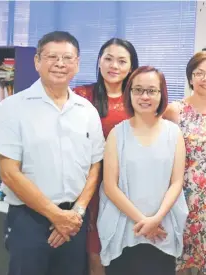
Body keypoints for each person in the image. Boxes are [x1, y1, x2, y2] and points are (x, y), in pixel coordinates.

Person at [0, 31, 104, 275]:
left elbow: (95, 166)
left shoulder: (87, 111)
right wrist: (55, 216)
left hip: (74, 220)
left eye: (67, 58)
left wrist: (76, 213)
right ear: (37, 61)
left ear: (77, 64)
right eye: (52, 56)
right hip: (29, 221)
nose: (60, 64)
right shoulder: (13, 108)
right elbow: (9, 174)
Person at [98, 66, 188, 275]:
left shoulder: (173, 133)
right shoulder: (117, 134)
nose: (144, 96)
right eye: (138, 90)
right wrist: (143, 221)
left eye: (151, 90)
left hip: (162, 228)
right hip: (125, 229)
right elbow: (110, 186)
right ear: (129, 94)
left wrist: (155, 220)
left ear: (161, 94)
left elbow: (176, 182)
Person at [164, 51, 206, 275]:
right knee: (185, 256)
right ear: (190, 77)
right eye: (200, 73)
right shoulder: (175, 110)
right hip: (187, 193)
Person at [73, 38, 139, 275]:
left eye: (122, 61)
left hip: (129, 184)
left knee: (127, 248)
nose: (114, 65)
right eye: (108, 58)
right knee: (95, 248)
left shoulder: (138, 98)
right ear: (99, 62)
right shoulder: (81, 96)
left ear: (131, 67)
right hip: (90, 182)